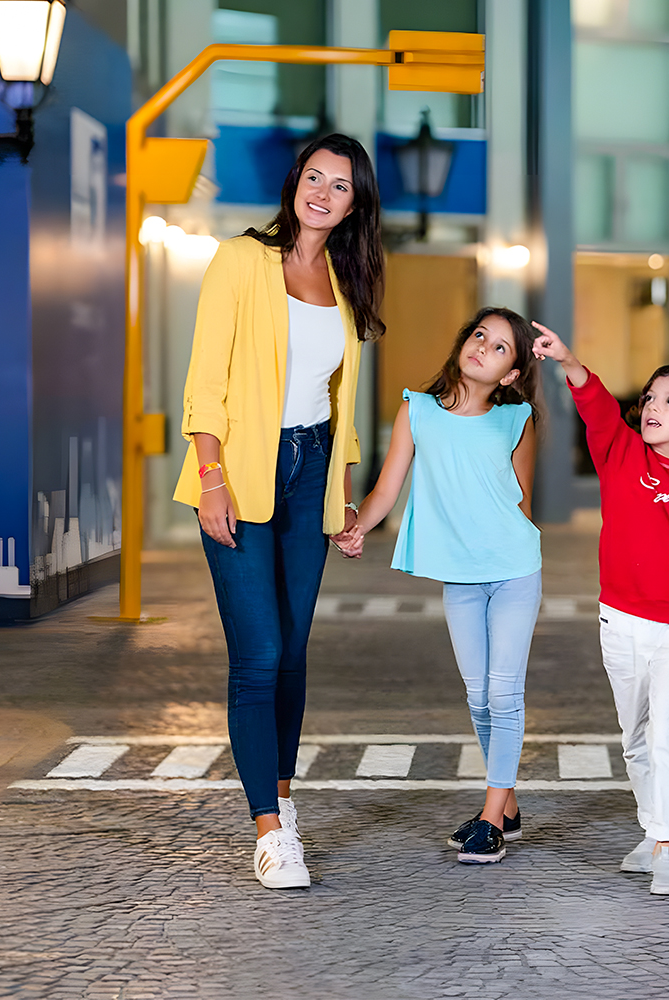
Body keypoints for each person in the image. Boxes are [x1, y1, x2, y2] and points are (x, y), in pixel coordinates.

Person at [173, 134, 384, 889]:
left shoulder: (344, 279)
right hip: (239, 470)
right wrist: (211, 477)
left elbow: (342, 407)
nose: (322, 193)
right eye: (314, 177)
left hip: (312, 472)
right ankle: (268, 832)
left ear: (356, 204)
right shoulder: (241, 260)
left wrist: (347, 494)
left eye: (340, 186)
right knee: (257, 656)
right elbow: (205, 381)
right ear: (295, 181)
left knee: (293, 653)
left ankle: (283, 800)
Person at [531, 324, 669, 896]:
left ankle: (668, 850)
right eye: (651, 397)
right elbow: (597, 405)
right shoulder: (620, 452)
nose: (653, 407)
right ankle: (651, 835)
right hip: (618, 619)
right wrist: (568, 359)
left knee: (666, 732)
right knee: (634, 735)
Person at [333, 308, 543, 865]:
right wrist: (357, 525)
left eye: (500, 348)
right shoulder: (417, 410)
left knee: (504, 693)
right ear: (463, 341)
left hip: (515, 566)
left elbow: (523, 500)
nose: (483, 348)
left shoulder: (517, 418)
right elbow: (386, 490)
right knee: (477, 695)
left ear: (511, 373)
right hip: (462, 575)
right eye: (480, 336)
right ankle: (510, 803)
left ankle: (491, 817)